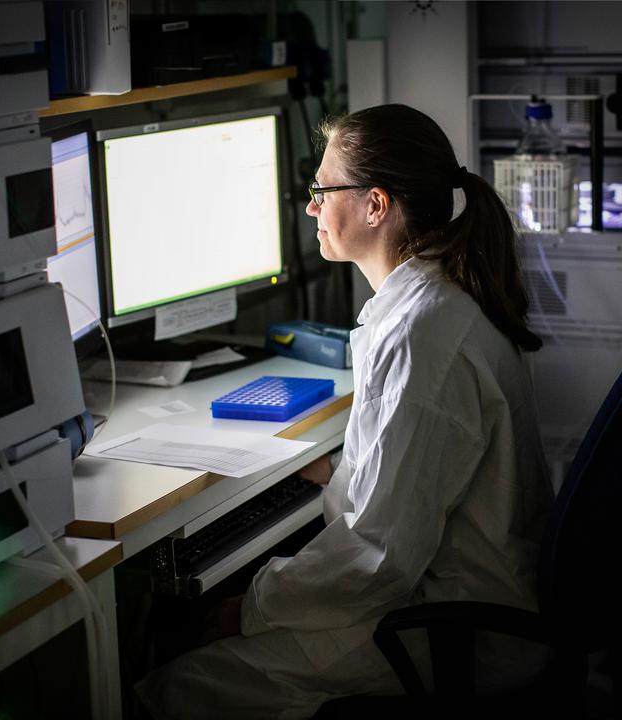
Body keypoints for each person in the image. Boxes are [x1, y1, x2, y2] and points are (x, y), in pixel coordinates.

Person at [135, 104, 552, 719]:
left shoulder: (423, 336)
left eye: (322, 190)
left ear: (376, 206)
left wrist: (251, 607)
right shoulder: (437, 302)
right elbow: (420, 469)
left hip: (454, 630)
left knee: (182, 683)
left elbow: (377, 557)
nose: (311, 208)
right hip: (450, 593)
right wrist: (345, 469)